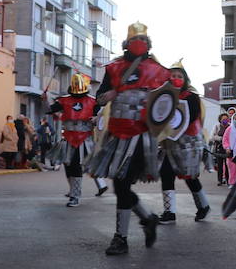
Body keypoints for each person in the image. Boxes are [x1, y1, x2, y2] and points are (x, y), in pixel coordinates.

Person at [86, 22, 168, 256]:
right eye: (134, 41)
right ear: (127, 44)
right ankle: (147, 219)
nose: (138, 44)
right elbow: (99, 98)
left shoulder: (159, 71)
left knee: (121, 184)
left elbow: (167, 104)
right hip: (117, 135)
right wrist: (107, 96)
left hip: (142, 138)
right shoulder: (114, 69)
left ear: (148, 44)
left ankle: (121, 238)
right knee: (120, 185)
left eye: (142, 40)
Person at [157, 63, 210, 223]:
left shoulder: (191, 97)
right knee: (166, 173)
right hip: (170, 143)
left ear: (185, 79)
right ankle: (169, 213)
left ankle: (203, 206)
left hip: (189, 143)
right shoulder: (164, 96)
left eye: (179, 76)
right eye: (173, 75)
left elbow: (190, 117)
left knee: (190, 177)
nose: (176, 78)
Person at [50, 73, 107, 206]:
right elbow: (49, 110)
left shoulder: (93, 101)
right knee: (69, 166)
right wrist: (45, 99)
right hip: (68, 139)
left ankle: (75, 196)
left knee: (80, 166)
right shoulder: (64, 100)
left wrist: (95, 119)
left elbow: (102, 117)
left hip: (85, 140)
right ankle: (73, 191)